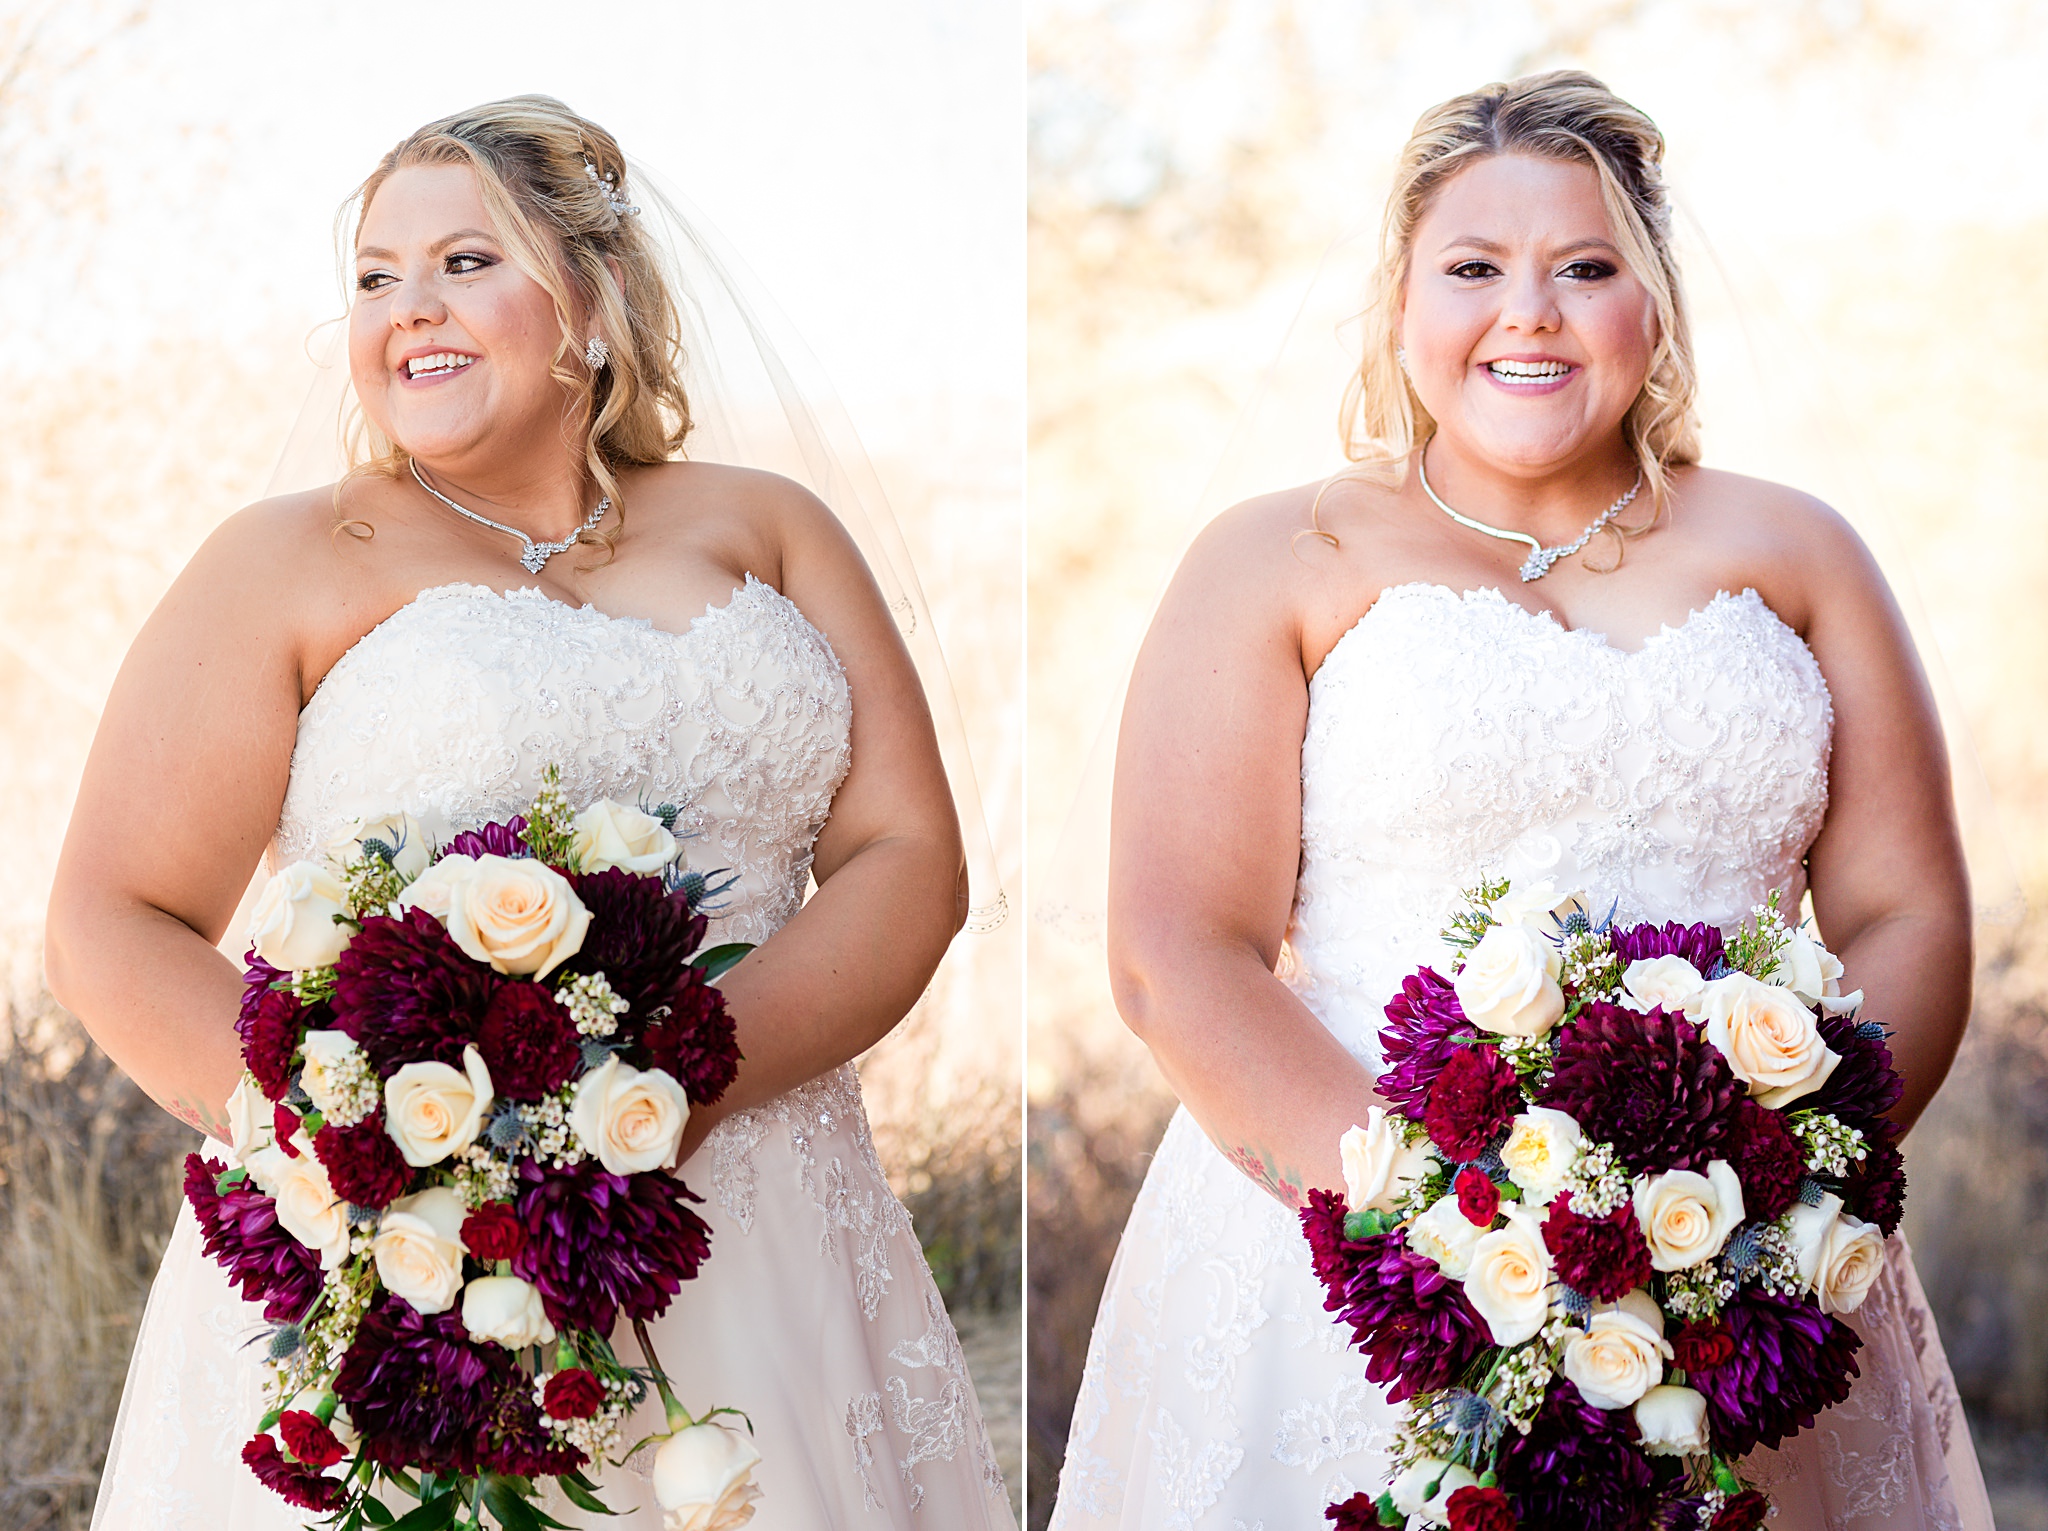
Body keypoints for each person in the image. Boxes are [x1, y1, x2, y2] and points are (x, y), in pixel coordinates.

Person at [47, 96, 1013, 1528]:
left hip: (760, 1219)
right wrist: (369, 1165)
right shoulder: (286, 562)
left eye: (462, 262)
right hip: (420, 1256)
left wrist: (661, 1098)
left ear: (598, 299)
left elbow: (907, 859)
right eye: (375, 277)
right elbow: (114, 917)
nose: (406, 312)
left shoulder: (768, 525)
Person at [1053, 71, 1990, 1530]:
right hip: (1350, 1273)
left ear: (1653, 300)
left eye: (1586, 268)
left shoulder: (1801, 551)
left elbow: (1907, 911)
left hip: (1743, 1283)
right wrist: (1452, 1246)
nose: (1530, 313)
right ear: (1402, 301)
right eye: (1475, 268)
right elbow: (1175, 953)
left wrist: (1782, 1195)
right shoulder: (1279, 558)